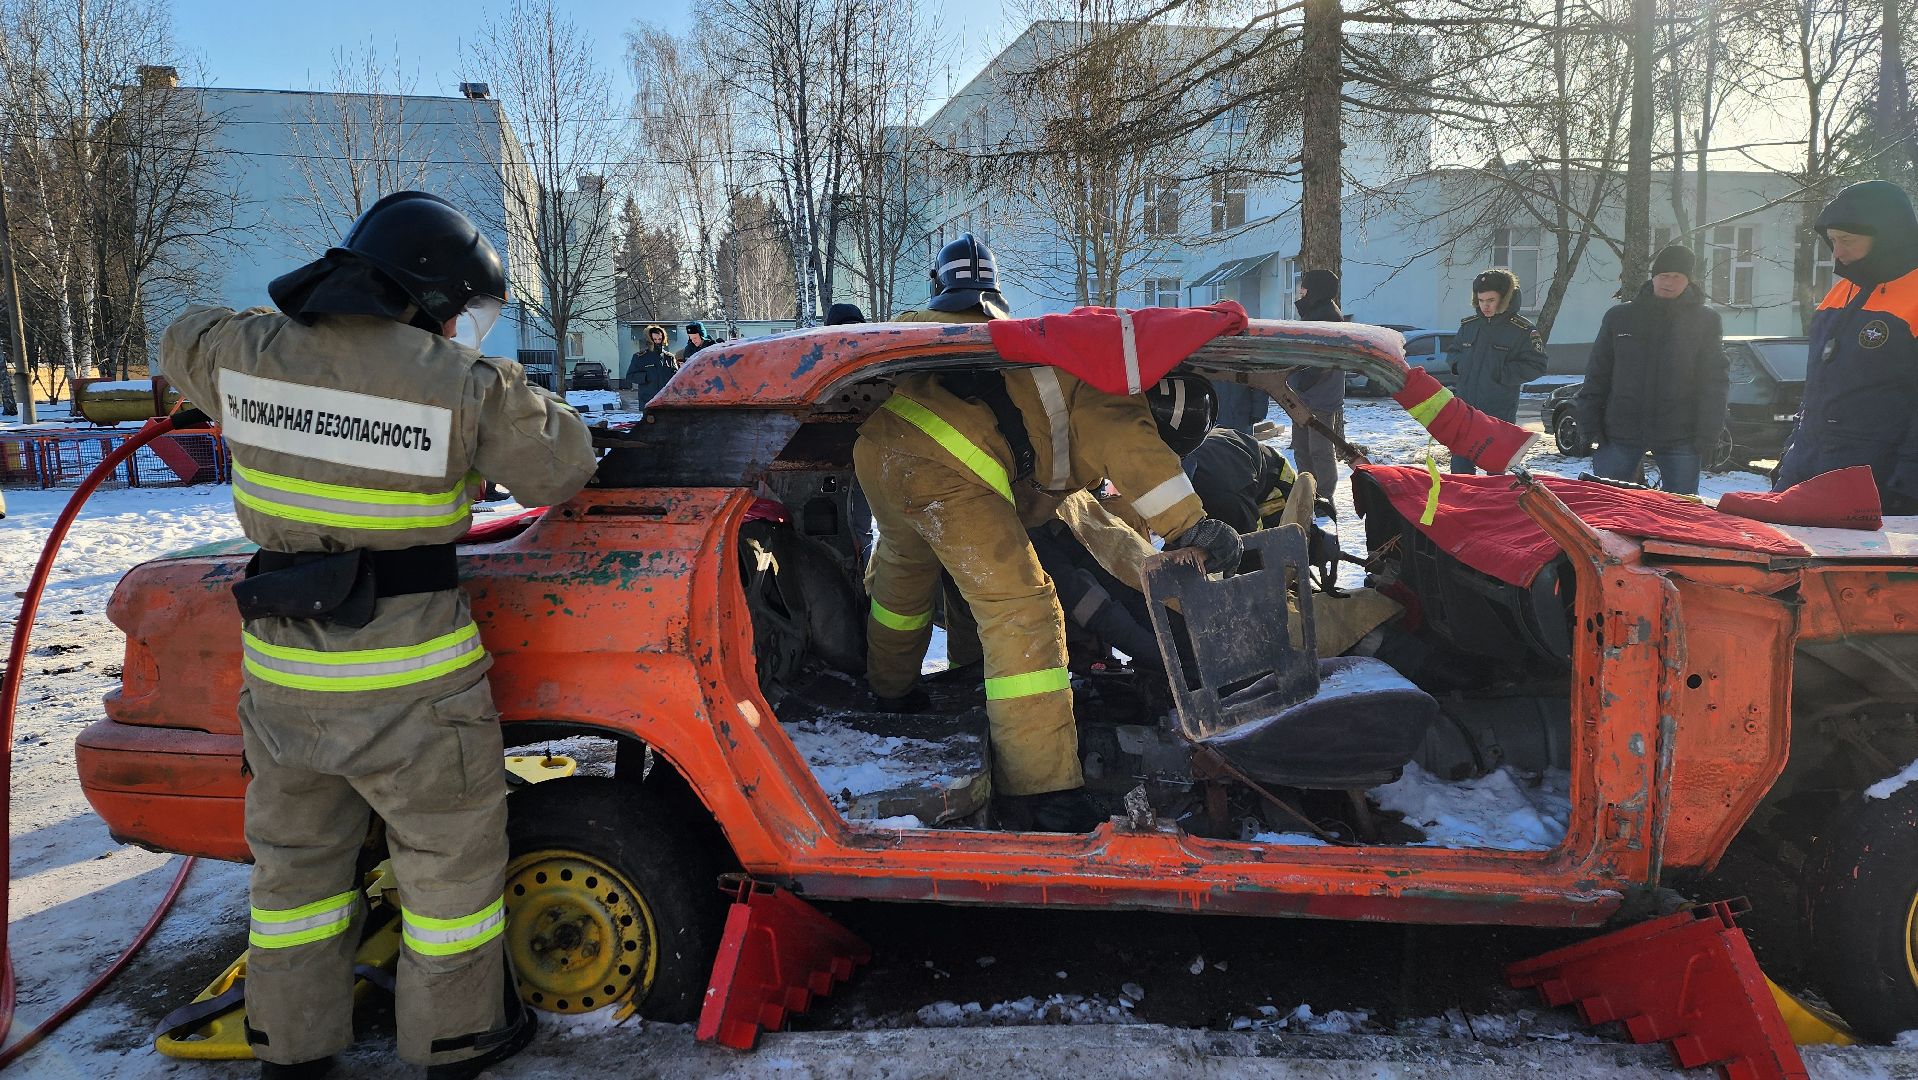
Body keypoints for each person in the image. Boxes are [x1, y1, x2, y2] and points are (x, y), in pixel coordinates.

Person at [160, 191, 598, 1080]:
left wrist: (284, 329)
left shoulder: (246, 352)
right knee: (446, 871)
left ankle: (292, 1039)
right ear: (430, 293)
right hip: (412, 682)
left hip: (284, 676)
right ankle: (453, 1037)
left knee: (294, 875)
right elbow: (564, 468)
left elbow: (182, 335)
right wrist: (506, 390)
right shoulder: (458, 385)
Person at [858, 234, 1242, 832]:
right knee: (1024, 608)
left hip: (882, 453)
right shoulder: (1101, 382)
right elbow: (1129, 446)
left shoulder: (963, 336)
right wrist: (1190, 523)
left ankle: (890, 691)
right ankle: (1040, 793)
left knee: (905, 578)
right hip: (949, 465)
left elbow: (1046, 474)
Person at [1774, 180, 1918, 512]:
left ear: (1887, 237)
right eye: (1833, 241)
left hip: (1877, 480)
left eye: (1848, 241)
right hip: (1808, 468)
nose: (1837, 252)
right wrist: (1789, 458)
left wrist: (1908, 486)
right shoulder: (1841, 293)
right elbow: (1818, 391)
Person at [1573, 245, 1728, 496]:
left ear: (1688, 281)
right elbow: (1598, 372)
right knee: (1605, 505)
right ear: (1653, 277)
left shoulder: (1705, 321)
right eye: (1663, 276)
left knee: (1680, 512)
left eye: (1677, 277)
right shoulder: (1620, 317)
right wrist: (1589, 420)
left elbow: (1714, 381)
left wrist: (1709, 432)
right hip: (1620, 429)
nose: (1669, 282)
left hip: (1680, 432)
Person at [1448, 268, 1548, 473]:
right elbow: (1453, 353)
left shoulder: (1522, 330)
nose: (1485, 306)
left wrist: (1501, 374)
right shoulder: (1469, 326)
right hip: (1466, 412)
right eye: (1481, 300)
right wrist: (1459, 366)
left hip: (1498, 415)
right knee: (1460, 476)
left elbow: (1537, 364)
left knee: (1495, 476)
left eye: (1491, 300)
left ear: (1505, 298)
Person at [1288, 268, 1348, 500]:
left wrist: (1302, 381)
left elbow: (1323, 359)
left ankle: (1323, 493)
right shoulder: (1314, 313)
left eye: (1305, 287)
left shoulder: (1328, 317)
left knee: (1319, 448)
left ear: (1315, 290)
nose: (1301, 291)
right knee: (1301, 445)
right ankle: (1307, 489)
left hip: (1319, 394)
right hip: (1304, 392)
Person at [625, 323, 677, 402]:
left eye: (659, 339)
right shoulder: (640, 357)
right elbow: (630, 376)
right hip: (648, 399)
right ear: (650, 340)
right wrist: (646, 376)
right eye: (655, 339)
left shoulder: (669, 357)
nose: (657, 342)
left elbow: (676, 376)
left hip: (666, 399)